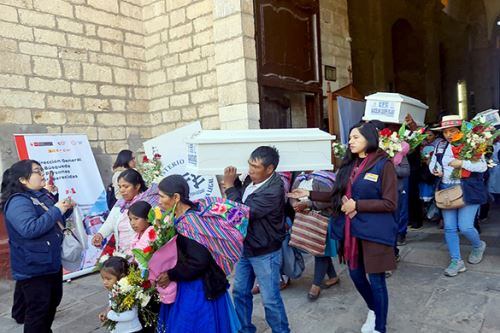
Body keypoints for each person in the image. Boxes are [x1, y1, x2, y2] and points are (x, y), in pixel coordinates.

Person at [290, 122, 398, 333]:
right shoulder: (348, 165)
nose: (350, 141)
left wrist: (357, 205)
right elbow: (337, 196)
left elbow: (390, 203)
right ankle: (374, 309)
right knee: (356, 276)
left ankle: (380, 327)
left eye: (356, 137)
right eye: (349, 138)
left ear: (369, 138)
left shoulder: (384, 165)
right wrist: (309, 195)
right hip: (351, 231)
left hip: (374, 232)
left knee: (376, 281)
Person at [154, 175, 240, 332]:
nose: (158, 201)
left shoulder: (189, 223)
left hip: (198, 288)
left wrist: (171, 274)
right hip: (189, 281)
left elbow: (199, 261)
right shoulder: (182, 215)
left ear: (176, 197)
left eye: (162, 196)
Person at [1, 160, 75, 332]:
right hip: (34, 268)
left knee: (50, 305)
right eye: (36, 171)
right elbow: (29, 228)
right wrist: (57, 210)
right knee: (38, 312)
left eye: (41, 170)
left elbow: (52, 220)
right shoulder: (18, 201)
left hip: (50, 262)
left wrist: (65, 209)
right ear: (23, 180)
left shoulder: (40, 194)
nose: (42, 174)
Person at [224, 146, 290, 333]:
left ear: (269, 169)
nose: (251, 170)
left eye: (256, 167)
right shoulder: (250, 179)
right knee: (240, 293)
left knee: (270, 300)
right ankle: (245, 329)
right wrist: (235, 181)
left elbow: (240, 215)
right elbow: (243, 199)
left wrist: (229, 186)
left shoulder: (274, 190)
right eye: (249, 165)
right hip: (246, 248)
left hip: (265, 253)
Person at [429, 115, 488, 277]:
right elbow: (433, 163)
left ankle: (478, 245)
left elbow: (482, 166)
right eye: (446, 131)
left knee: (466, 226)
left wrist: (462, 163)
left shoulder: (472, 144)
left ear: (460, 130)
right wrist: (435, 170)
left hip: (468, 189)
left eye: (452, 130)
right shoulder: (440, 145)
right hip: (447, 190)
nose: (448, 134)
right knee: (449, 227)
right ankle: (457, 261)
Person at [289, 171, 339, 300]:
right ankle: (333, 277)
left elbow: (330, 199)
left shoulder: (325, 179)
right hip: (306, 218)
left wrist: (308, 204)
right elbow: (292, 194)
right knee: (321, 249)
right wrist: (294, 204)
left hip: (323, 220)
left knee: (319, 251)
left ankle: (316, 285)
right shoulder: (300, 177)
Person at [93, 169, 158, 255]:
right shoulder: (121, 202)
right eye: (120, 187)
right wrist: (100, 235)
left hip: (141, 252)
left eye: (126, 186)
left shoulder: (149, 202)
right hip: (121, 252)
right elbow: (110, 222)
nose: (122, 190)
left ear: (137, 186)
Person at [99, 256, 142, 333]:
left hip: (131, 330)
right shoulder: (113, 290)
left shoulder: (129, 292)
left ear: (121, 278)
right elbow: (112, 304)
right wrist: (106, 312)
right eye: (103, 278)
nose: (104, 282)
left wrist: (109, 315)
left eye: (108, 279)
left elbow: (130, 315)